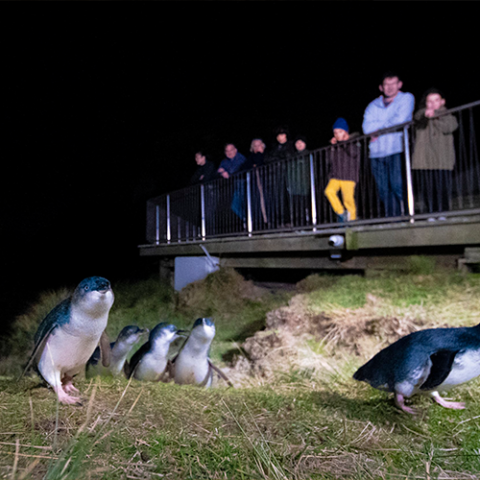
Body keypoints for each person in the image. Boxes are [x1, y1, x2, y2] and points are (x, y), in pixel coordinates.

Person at [362, 72, 415, 217]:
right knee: (383, 189)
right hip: (376, 152)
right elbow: (366, 128)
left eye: (393, 84)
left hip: (396, 149)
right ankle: (394, 219)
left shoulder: (406, 98)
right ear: (381, 87)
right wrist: (385, 126)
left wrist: (377, 129)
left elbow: (400, 120)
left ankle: (409, 215)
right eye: (386, 84)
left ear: (400, 85)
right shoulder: (372, 105)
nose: (390, 87)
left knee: (398, 185)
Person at [412, 88, 458, 217]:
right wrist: (426, 115)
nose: (433, 104)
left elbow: (450, 127)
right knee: (427, 188)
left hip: (442, 159)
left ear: (442, 102)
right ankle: (431, 213)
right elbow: (417, 118)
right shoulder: (421, 115)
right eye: (429, 101)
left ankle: (442, 212)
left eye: (436, 100)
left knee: (442, 187)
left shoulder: (449, 115)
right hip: (425, 159)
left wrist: (436, 117)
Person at [324, 118, 361, 222]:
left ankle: (352, 220)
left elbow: (354, 153)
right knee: (329, 191)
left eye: (340, 132)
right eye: (335, 132)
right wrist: (332, 147)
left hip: (348, 176)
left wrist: (346, 142)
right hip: (336, 175)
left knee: (348, 199)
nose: (337, 134)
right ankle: (341, 212)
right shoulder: (335, 145)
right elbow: (329, 160)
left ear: (345, 132)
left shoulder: (354, 141)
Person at [287, 135, 311, 227]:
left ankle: (307, 225)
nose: (299, 144)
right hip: (294, 187)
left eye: (301, 142)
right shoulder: (292, 157)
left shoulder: (309, 155)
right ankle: (297, 225)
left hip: (305, 187)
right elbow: (288, 171)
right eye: (297, 143)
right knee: (296, 208)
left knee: (305, 207)